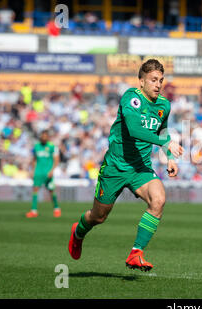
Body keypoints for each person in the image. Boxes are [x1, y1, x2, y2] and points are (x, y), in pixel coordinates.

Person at [68, 59, 184, 271]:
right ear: (141, 81)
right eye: (153, 80)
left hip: (140, 167)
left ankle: (136, 253)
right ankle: (78, 232)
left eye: (160, 80)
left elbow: (162, 131)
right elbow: (133, 129)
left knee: (158, 200)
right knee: (98, 216)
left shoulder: (164, 105)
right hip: (115, 167)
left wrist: (170, 157)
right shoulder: (132, 98)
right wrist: (166, 143)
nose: (158, 84)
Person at [25, 130, 61, 218]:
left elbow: (56, 160)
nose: (44, 138)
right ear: (41, 137)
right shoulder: (36, 146)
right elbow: (34, 159)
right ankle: (34, 211)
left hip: (48, 172)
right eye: (42, 136)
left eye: (45, 136)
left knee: (51, 190)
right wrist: (33, 170)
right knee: (35, 189)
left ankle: (56, 208)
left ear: (48, 137)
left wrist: (52, 170)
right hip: (38, 171)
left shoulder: (52, 147)